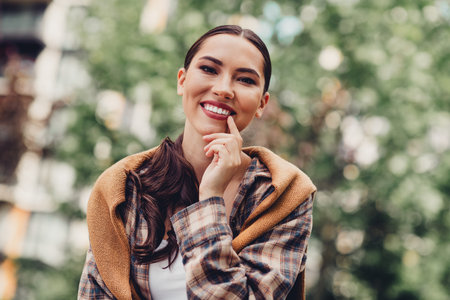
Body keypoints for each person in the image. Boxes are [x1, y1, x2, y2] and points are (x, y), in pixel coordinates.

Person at [78, 25, 316, 300]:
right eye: (209, 69)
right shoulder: (125, 185)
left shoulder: (283, 194)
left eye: (246, 80)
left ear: (262, 103)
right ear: (182, 80)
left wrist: (209, 201)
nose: (224, 89)